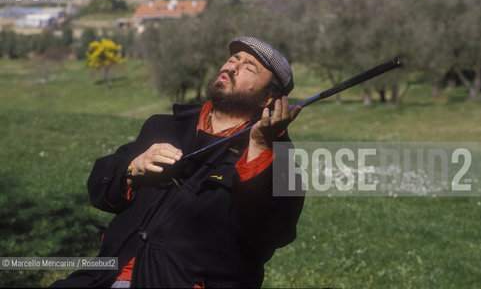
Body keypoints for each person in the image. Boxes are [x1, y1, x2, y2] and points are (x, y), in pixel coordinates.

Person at [51, 36, 305, 288]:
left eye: (249, 67)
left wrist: (260, 148)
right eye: (232, 60)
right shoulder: (163, 125)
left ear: (267, 99)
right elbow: (99, 188)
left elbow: (269, 235)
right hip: (105, 276)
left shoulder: (282, 158)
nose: (231, 67)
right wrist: (131, 168)